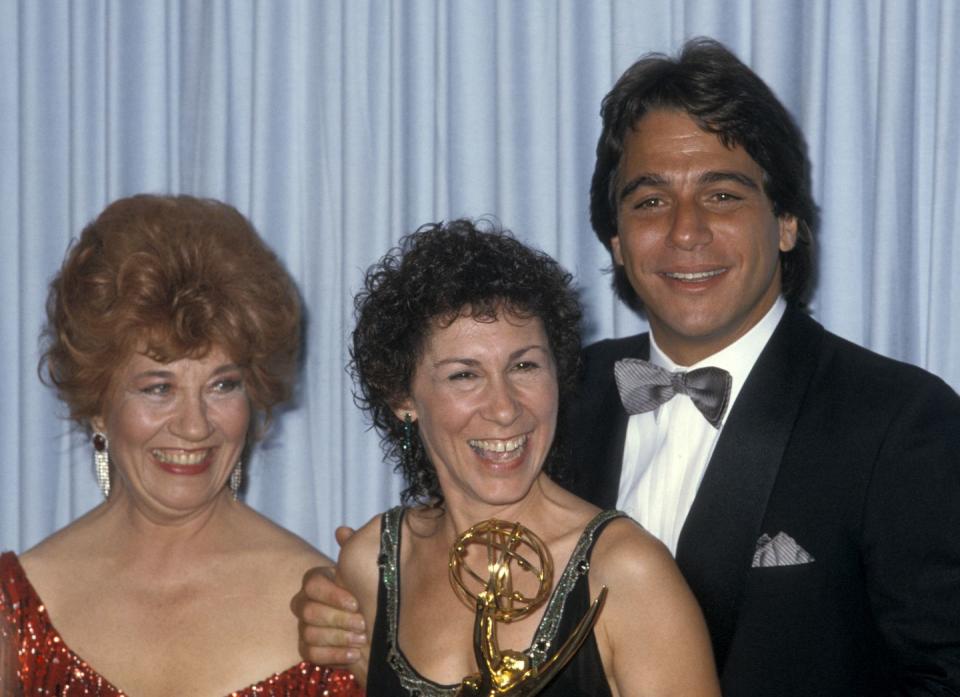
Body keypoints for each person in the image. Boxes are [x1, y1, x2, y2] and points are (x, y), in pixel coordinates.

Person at [293, 38, 960, 695]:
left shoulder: (897, 422)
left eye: (723, 195)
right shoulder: (549, 395)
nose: (685, 230)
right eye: (649, 201)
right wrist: (349, 603)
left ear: (786, 221)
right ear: (614, 239)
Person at [332, 219, 720, 695]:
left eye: (524, 366)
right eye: (463, 376)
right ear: (402, 397)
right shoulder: (370, 563)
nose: (504, 408)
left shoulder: (627, 573)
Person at [0, 195, 361, 696]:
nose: (195, 427)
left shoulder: (334, 612)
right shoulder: (17, 612)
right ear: (99, 403)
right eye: (158, 388)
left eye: (222, 385)